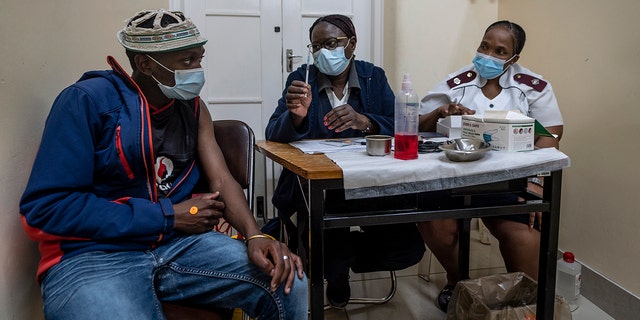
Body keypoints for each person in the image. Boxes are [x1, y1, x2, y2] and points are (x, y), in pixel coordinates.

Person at [19, 9, 307, 320]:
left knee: (290, 281)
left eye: (199, 58)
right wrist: (166, 216)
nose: (197, 69)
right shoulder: (86, 101)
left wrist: (255, 235)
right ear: (145, 63)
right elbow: (47, 209)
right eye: (187, 61)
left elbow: (222, 180)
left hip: (178, 245)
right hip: (95, 253)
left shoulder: (192, 107)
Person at [265, 14, 424, 308]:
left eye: (331, 43)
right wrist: (296, 118)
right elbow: (273, 133)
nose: (323, 51)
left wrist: (366, 122)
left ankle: (339, 261)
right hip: (320, 191)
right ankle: (335, 270)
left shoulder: (372, 76)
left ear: (352, 43)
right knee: (328, 232)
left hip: (371, 184)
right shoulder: (302, 78)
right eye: (316, 46)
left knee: (410, 249)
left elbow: (399, 122)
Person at [417, 20, 564, 312]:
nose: (488, 55)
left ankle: (520, 300)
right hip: (455, 180)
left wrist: (536, 184)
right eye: (485, 46)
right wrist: (441, 113)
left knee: (524, 237)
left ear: (514, 58)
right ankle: (458, 281)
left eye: (499, 51)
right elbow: (417, 125)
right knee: (434, 224)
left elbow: (552, 136)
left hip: (509, 184)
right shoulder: (457, 83)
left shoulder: (531, 87)